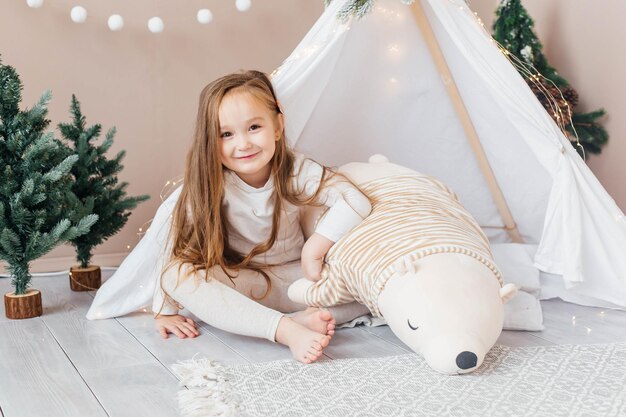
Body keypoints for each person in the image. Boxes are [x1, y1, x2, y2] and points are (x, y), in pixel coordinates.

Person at [154, 70, 372, 364]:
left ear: (278, 126)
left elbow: (354, 200)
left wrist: (315, 248)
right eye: (226, 134)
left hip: (304, 281)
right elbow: (175, 246)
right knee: (176, 274)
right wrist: (164, 310)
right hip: (245, 284)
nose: (243, 144)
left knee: (369, 284)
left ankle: (300, 318)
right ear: (210, 140)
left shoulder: (297, 170)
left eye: (254, 127)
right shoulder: (208, 185)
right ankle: (285, 329)